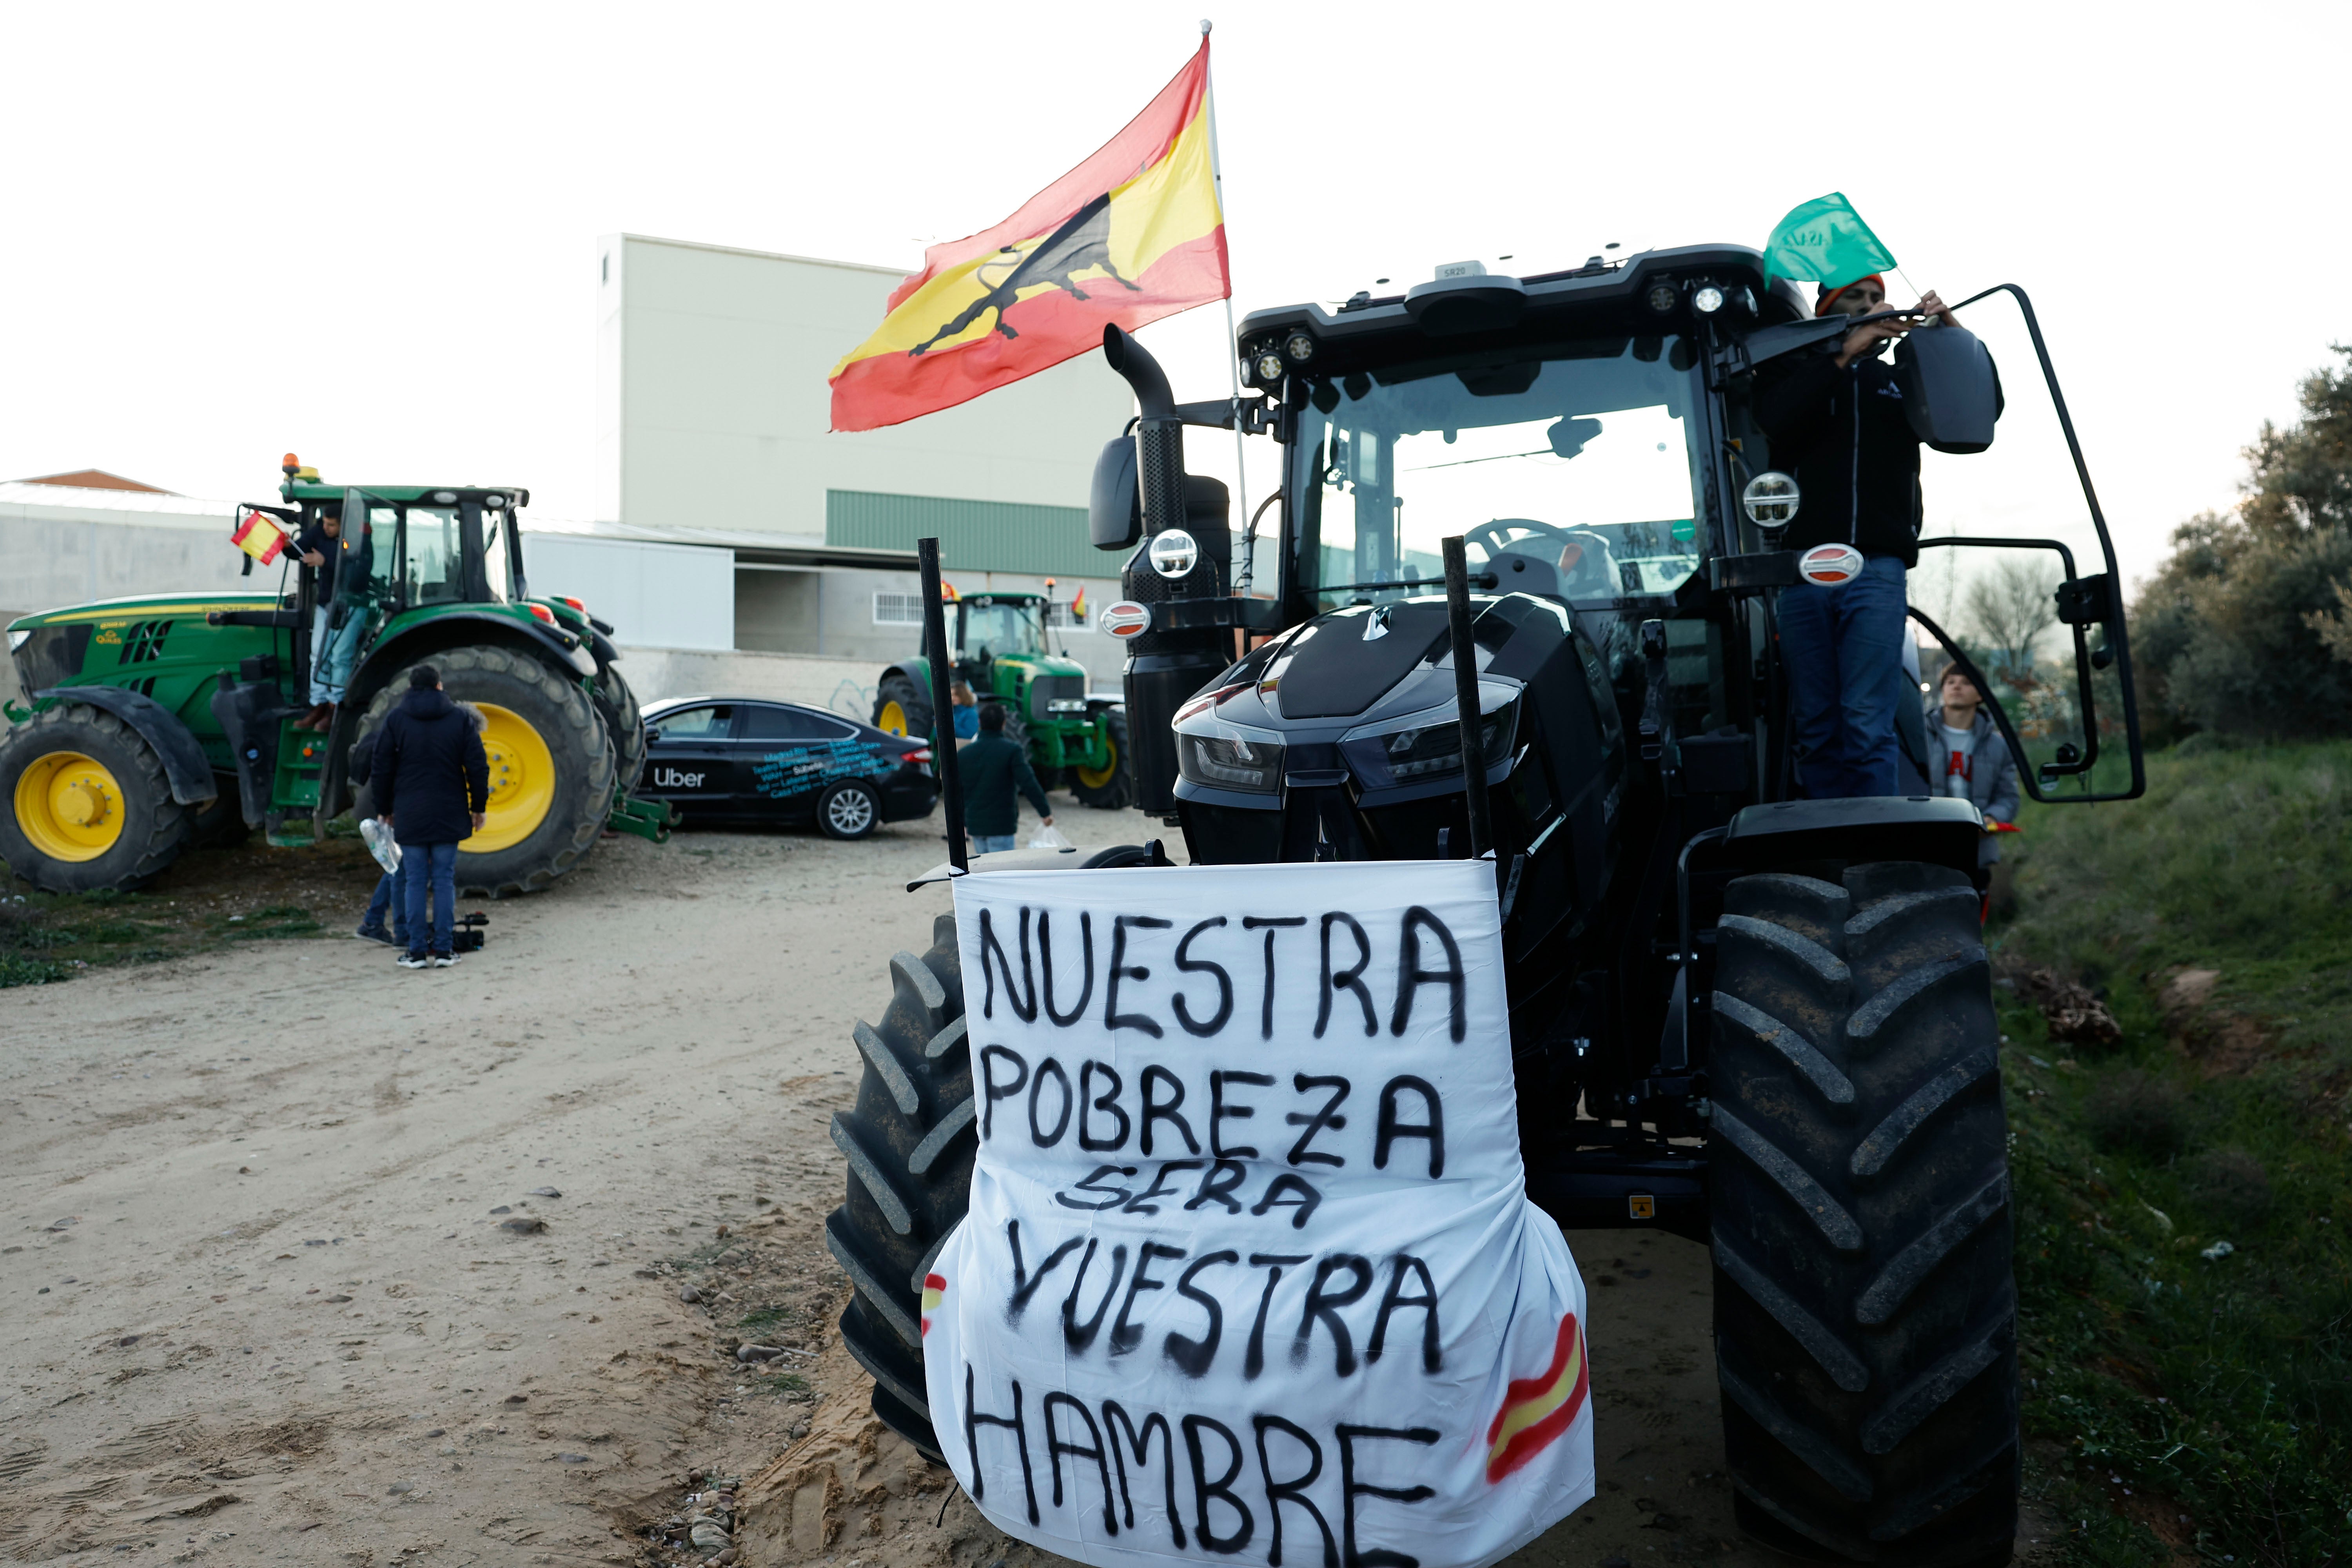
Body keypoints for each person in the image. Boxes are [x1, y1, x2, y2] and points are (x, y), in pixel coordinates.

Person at [1755, 275, 1981, 798]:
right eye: (1852, 304)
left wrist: (1949, 331)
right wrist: (1843, 355)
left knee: (1866, 721)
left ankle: (1872, 848)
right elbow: (1773, 419)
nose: (1868, 310)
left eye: (1875, 301)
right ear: (1826, 314)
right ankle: (1827, 854)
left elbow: (1973, 412)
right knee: (1816, 726)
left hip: (1878, 567)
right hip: (1802, 570)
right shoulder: (1794, 372)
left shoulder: (1902, 379)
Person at [371, 665, 489, 969]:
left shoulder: (397, 719)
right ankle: (445, 951)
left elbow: (382, 767)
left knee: (414, 881)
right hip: (449, 811)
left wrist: (384, 808)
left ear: (411, 688)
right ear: (439, 687)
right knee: (444, 880)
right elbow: (478, 767)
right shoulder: (460, 719)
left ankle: (415, 953)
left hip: (409, 812)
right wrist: (479, 807)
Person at [1927, 661, 2020, 897]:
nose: (1957, 687)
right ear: (1943, 690)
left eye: (1967, 683)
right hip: (1925, 853)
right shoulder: (1919, 737)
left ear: (1980, 694)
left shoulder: (1998, 745)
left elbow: (2008, 797)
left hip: (1976, 854)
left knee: (1970, 927)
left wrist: (1990, 819)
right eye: (1951, 682)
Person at [960, 701, 1051, 855]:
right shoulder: (1011, 750)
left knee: (983, 871)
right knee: (1001, 872)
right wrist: (1045, 812)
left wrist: (962, 822)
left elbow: (958, 792)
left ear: (980, 723)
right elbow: (1028, 783)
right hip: (1001, 824)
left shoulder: (964, 754)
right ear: (1004, 724)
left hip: (975, 825)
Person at [348, 726, 406, 949]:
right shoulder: (416, 738)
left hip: (377, 806)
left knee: (395, 866)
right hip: (384, 810)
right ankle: (401, 931)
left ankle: (373, 922)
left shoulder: (403, 731)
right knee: (401, 867)